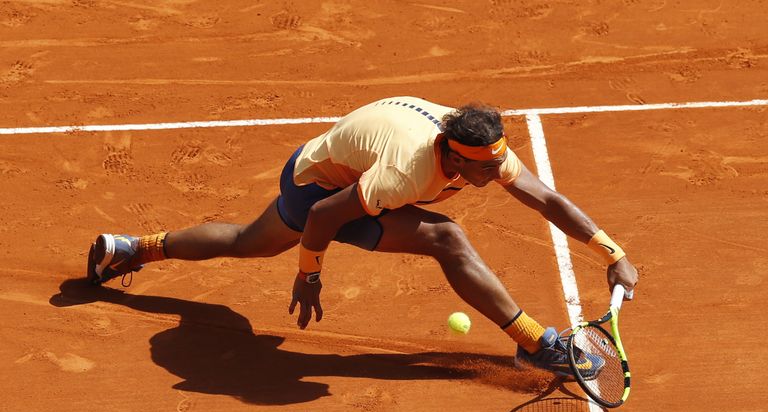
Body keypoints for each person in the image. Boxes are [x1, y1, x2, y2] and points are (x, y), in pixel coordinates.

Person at [87, 96, 639, 378]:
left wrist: (612, 253)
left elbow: (546, 199)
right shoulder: (405, 173)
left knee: (246, 241)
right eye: (484, 170)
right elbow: (324, 215)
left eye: (497, 165)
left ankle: (134, 248)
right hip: (319, 187)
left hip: (327, 159)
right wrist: (309, 275)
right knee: (447, 238)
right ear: (453, 157)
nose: (496, 176)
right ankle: (537, 346)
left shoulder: (480, 148)